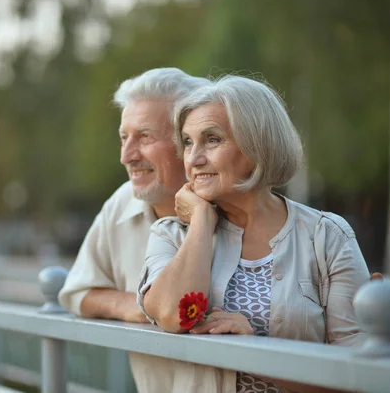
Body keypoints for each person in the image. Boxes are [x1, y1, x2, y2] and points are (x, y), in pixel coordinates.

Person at [138, 75, 371, 393]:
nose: (193, 159)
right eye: (188, 142)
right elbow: (170, 313)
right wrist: (202, 222)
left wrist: (256, 352)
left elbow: (360, 376)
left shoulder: (328, 237)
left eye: (212, 139)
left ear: (257, 145)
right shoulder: (171, 234)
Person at [58, 68, 210, 391]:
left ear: (187, 141)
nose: (127, 156)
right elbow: (75, 292)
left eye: (144, 137)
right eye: (124, 137)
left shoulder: (232, 202)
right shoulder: (120, 204)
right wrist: (132, 304)